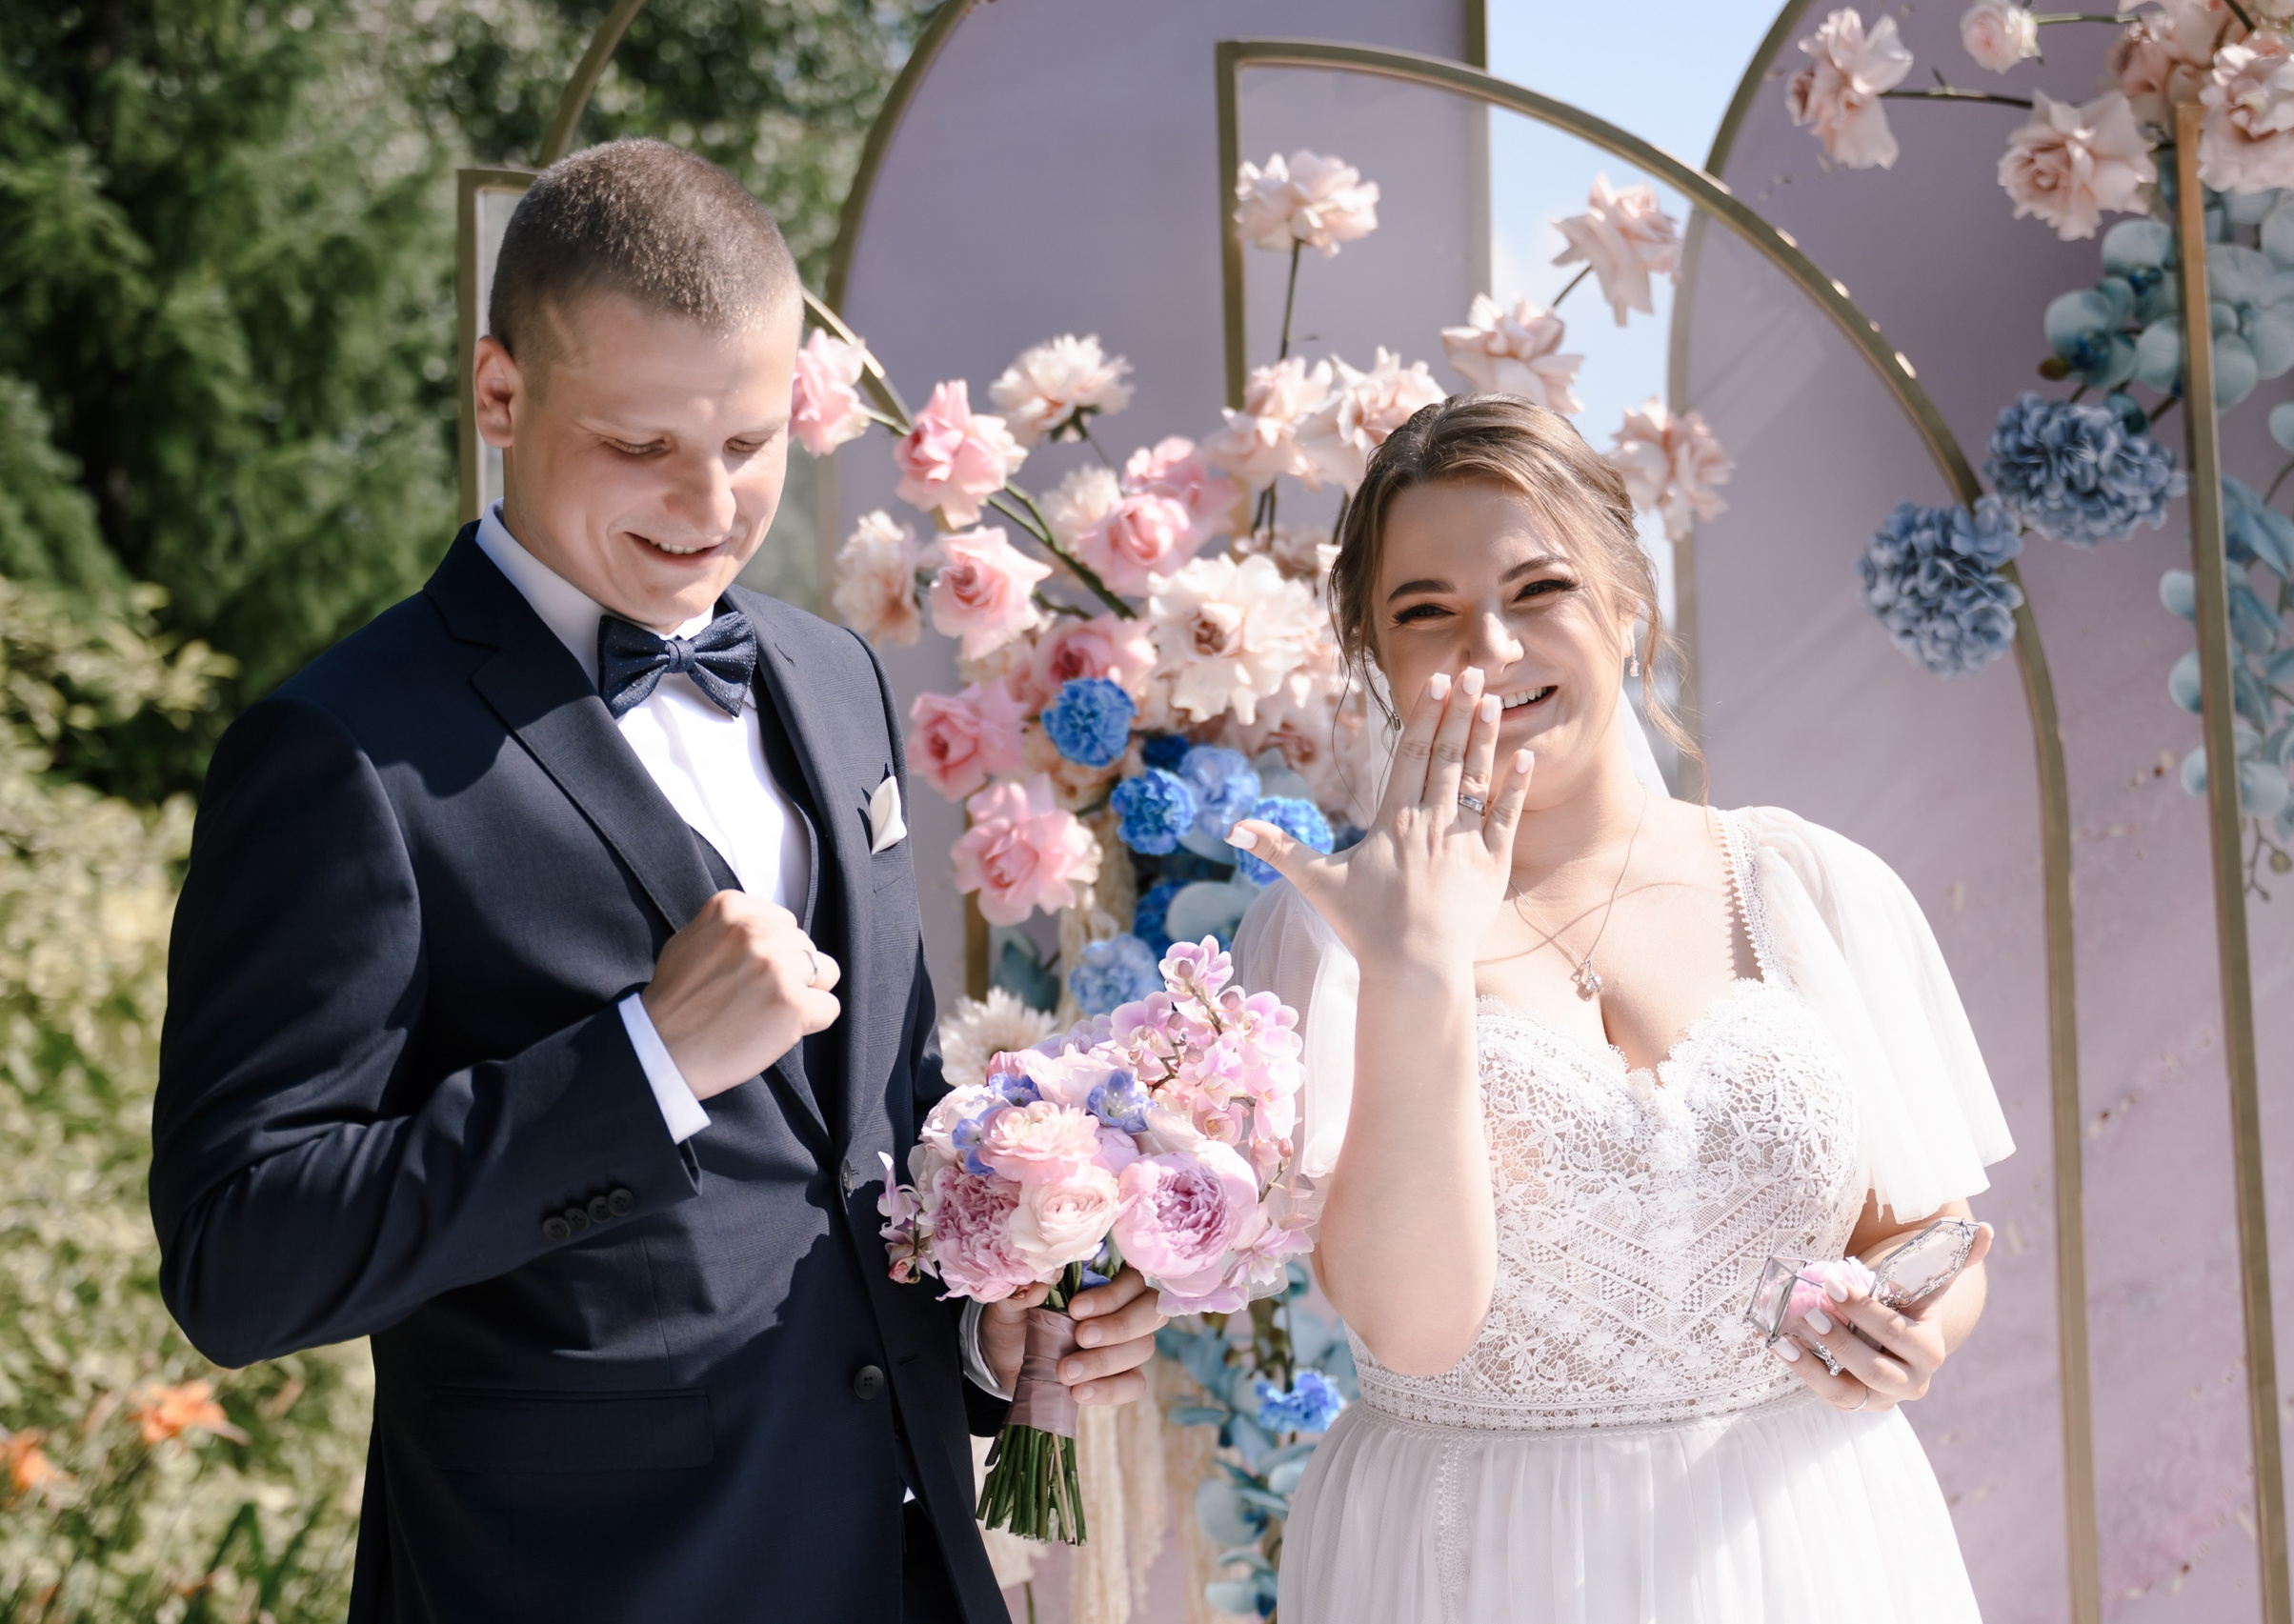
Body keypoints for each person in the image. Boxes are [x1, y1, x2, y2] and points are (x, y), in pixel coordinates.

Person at [149, 138, 1163, 1624]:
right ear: (499, 393)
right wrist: (645, 1065)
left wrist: (981, 1326)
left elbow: (856, 1143)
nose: (707, 504)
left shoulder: (836, 676)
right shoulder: (341, 752)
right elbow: (240, 1257)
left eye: (750, 444)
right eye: (642, 447)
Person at [1228, 394, 2013, 1623]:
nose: (1488, 648)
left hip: (1803, 1541)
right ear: (1379, 661)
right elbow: (1412, 1327)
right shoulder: (1321, 938)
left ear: (1629, 605)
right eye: (1425, 612)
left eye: (1538, 589)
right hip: (1474, 1558)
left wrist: (1915, 1334)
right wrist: (1415, 966)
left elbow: (1934, 1238)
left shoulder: (1811, 888)